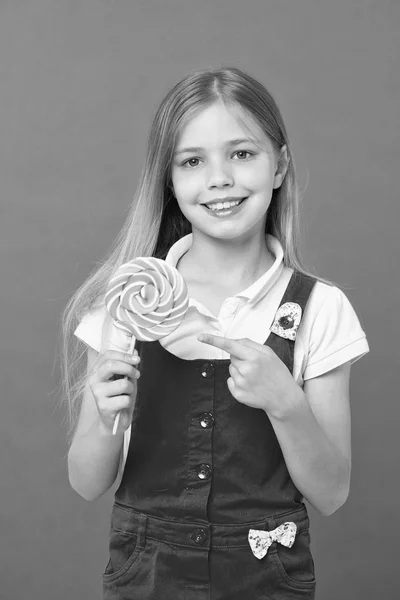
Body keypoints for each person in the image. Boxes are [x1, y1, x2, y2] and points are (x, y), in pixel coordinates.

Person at [62, 67, 369, 600]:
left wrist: (286, 404)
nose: (219, 179)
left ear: (280, 166)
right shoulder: (131, 302)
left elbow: (332, 492)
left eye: (243, 154)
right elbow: (86, 483)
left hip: (267, 574)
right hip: (146, 573)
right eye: (192, 161)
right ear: (170, 180)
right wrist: (109, 414)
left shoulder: (320, 308)